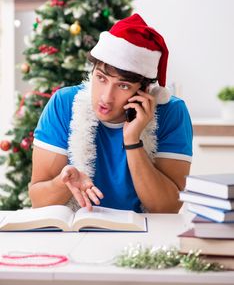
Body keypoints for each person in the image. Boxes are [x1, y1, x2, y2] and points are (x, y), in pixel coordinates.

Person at [29, 13, 193, 213]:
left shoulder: (171, 112)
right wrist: (64, 182)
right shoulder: (64, 103)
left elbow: (167, 208)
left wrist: (132, 140)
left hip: (143, 236)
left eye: (123, 85)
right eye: (101, 78)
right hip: (76, 232)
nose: (106, 97)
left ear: (145, 91)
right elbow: (38, 201)